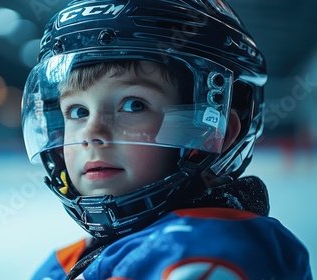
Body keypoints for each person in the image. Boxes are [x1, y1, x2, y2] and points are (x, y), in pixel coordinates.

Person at [21, 0, 312, 279]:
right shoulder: (69, 261)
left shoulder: (209, 249)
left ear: (216, 131)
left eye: (134, 105)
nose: (92, 133)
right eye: (78, 111)